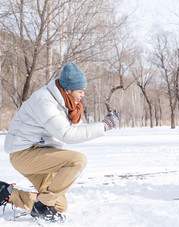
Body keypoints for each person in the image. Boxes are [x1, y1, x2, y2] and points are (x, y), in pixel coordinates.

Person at [0, 62, 120, 222]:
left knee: (59, 205)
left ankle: (7, 193)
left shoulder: (64, 103)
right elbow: (67, 134)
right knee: (78, 161)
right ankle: (41, 206)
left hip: (40, 153)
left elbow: (75, 128)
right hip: (24, 154)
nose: (83, 95)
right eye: (80, 91)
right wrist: (104, 126)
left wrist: (102, 124)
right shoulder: (44, 101)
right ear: (68, 90)